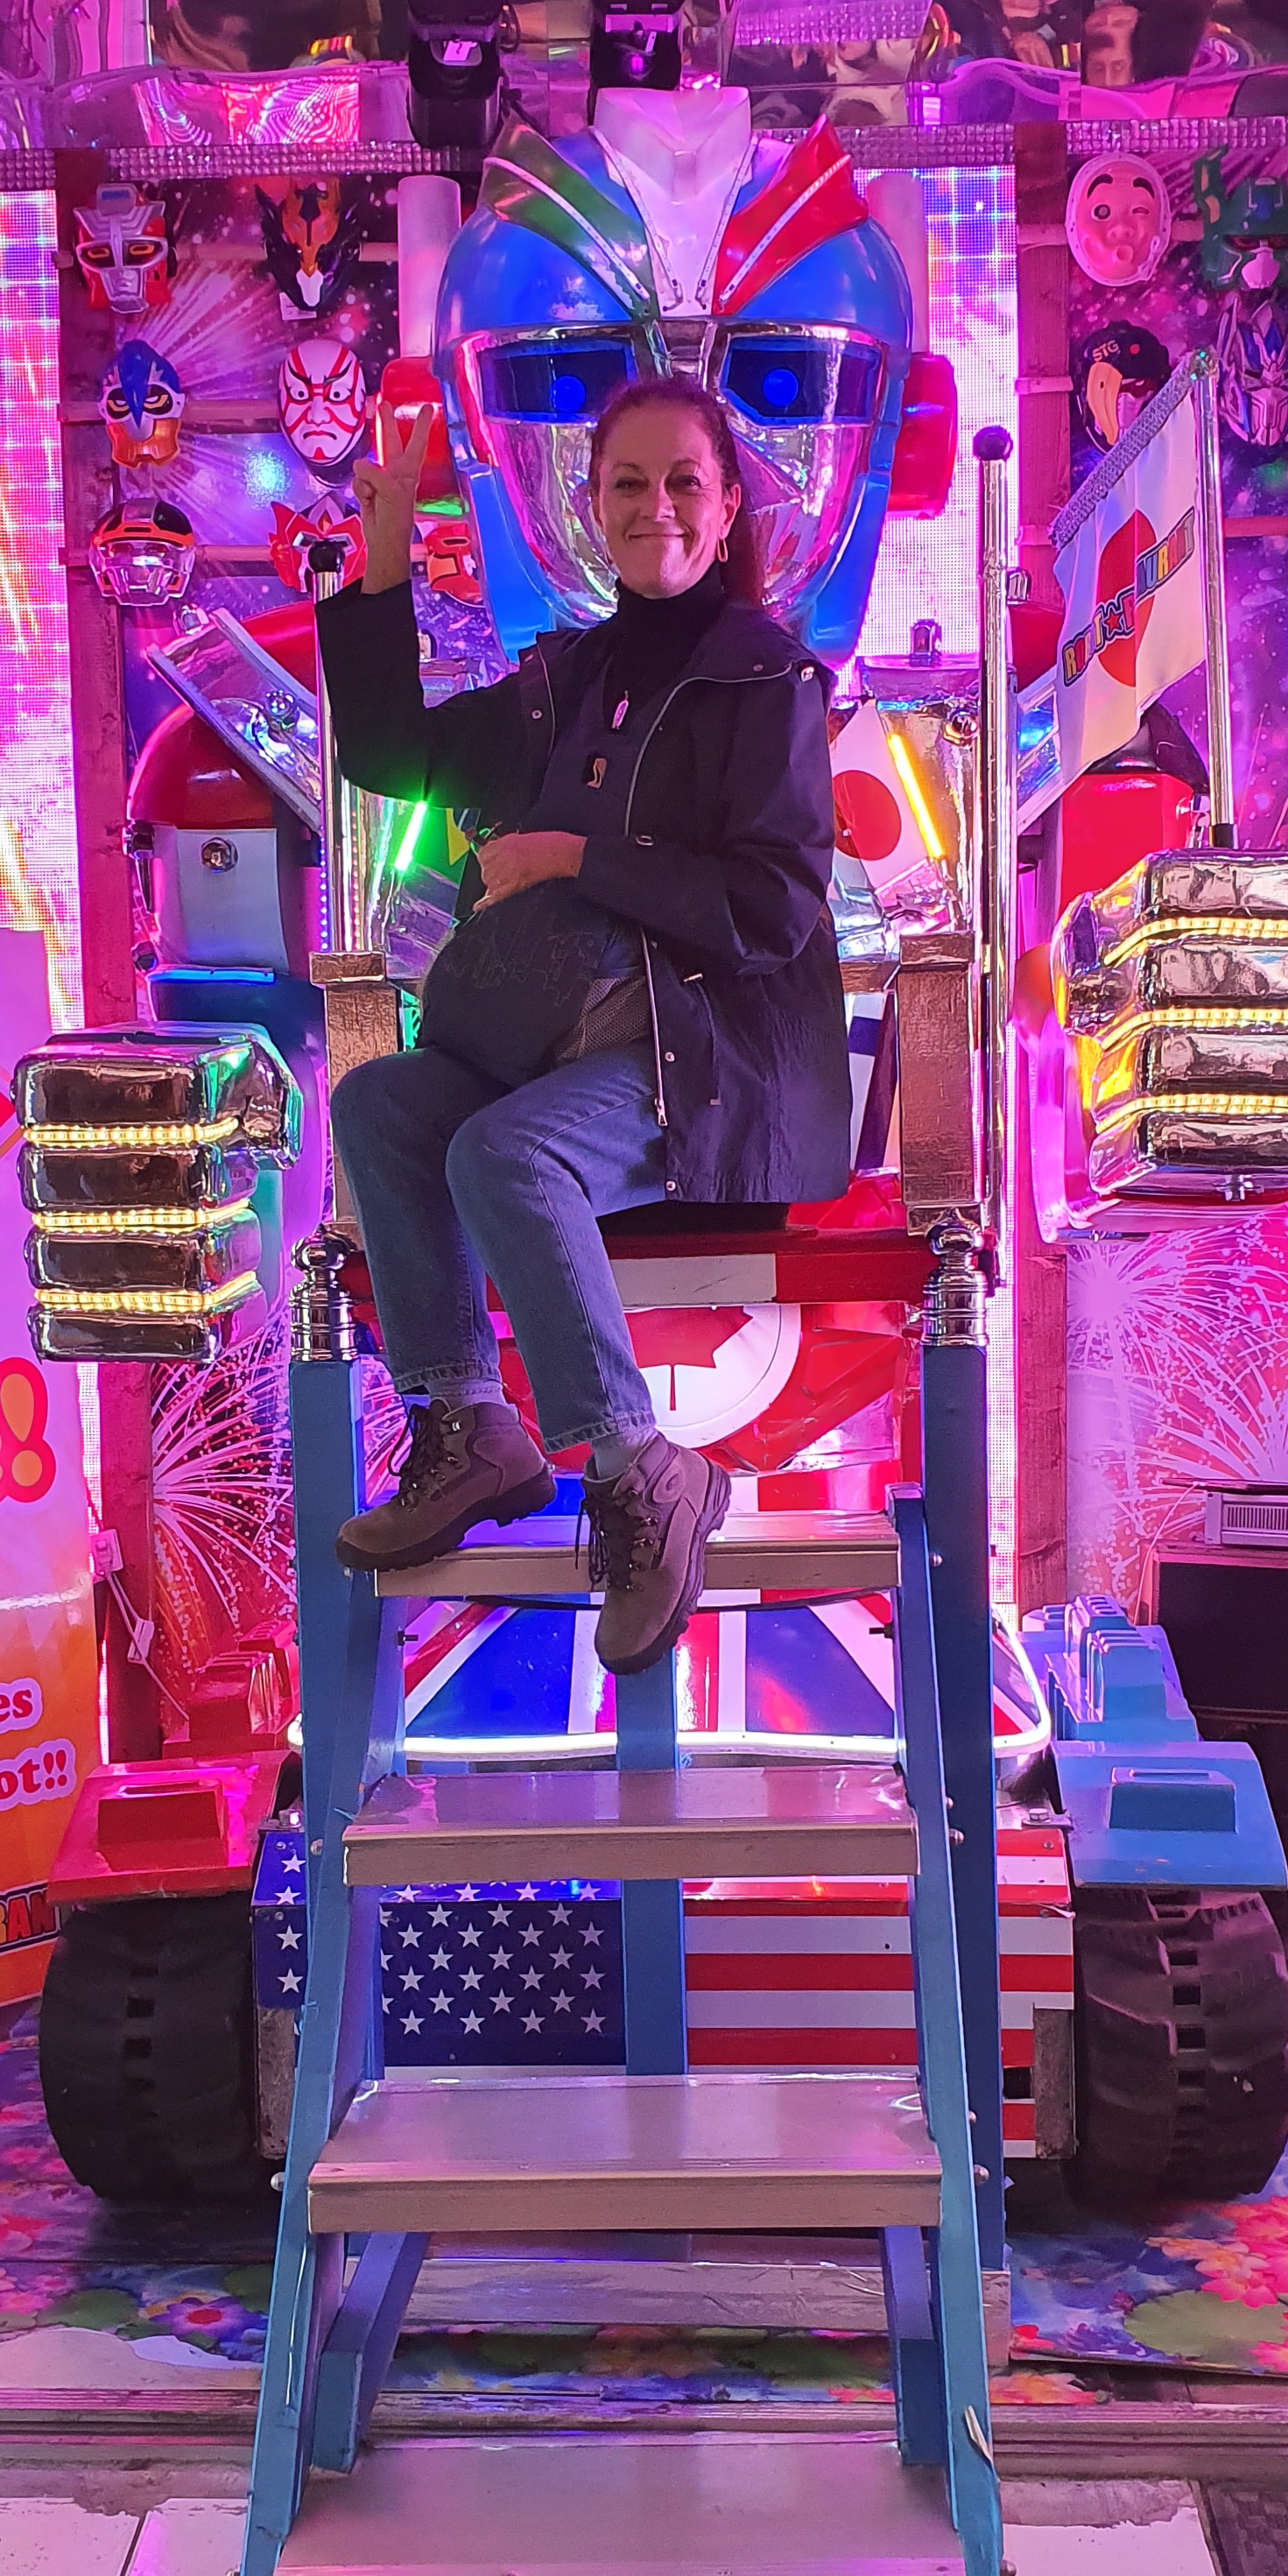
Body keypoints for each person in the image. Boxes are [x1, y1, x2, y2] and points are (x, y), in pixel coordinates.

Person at [312, 377, 849, 1675]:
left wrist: (570, 858)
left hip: (704, 1062)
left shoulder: (771, 680)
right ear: (592, 508)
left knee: (504, 1153)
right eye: (629, 484)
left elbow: (774, 908)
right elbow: (390, 755)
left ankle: (642, 1469)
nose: (657, 506)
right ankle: (468, 1427)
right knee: (379, 1106)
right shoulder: (568, 679)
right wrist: (385, 556)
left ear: (727, 507)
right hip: (550, 1046)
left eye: (684, 482)